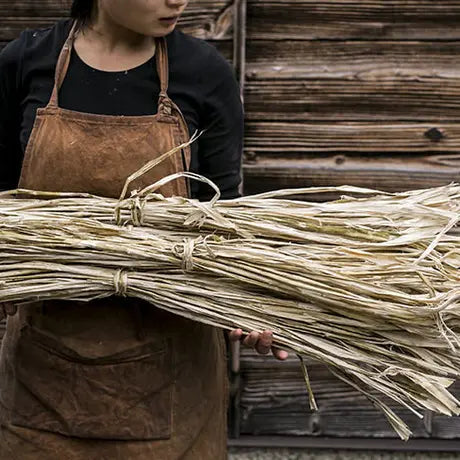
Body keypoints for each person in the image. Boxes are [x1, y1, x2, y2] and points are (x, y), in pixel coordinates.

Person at [0, 0, 288, 458]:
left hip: (171, 376)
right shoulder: (26, 61)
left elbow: (224, 217)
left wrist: (251, 302)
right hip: (42, 374)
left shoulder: (203, 72)